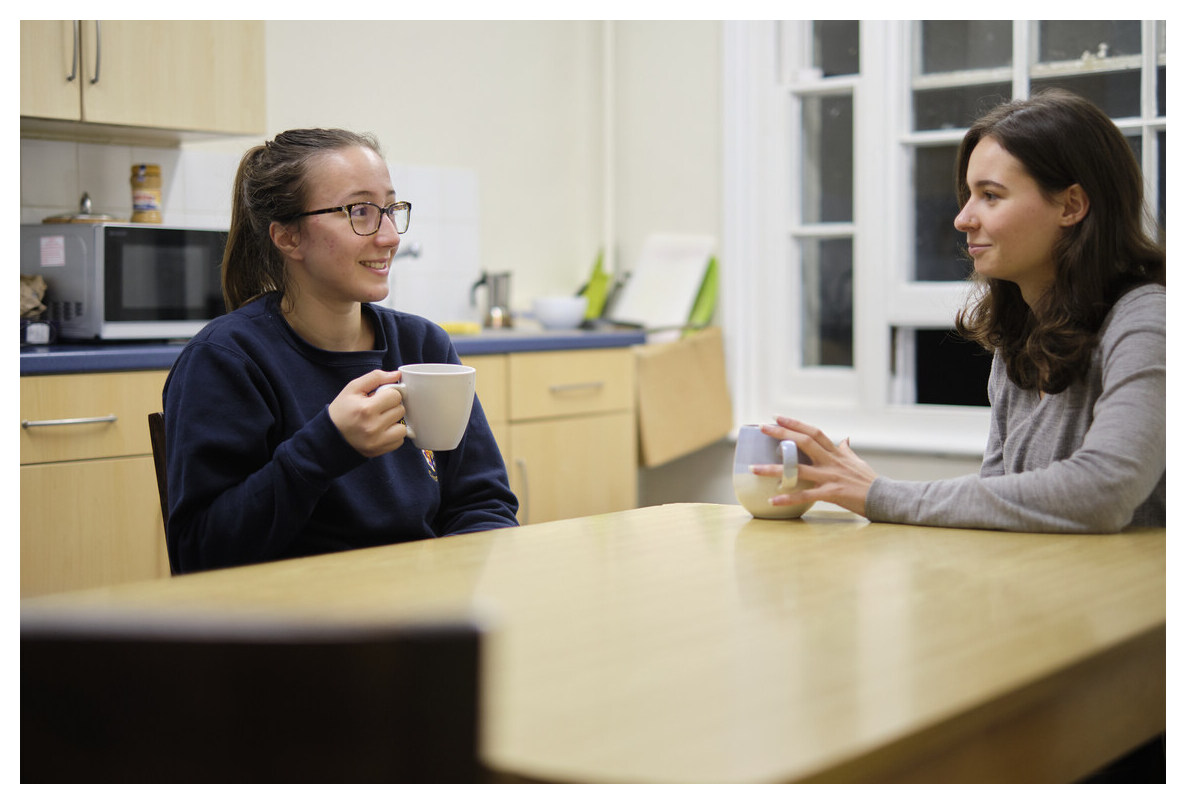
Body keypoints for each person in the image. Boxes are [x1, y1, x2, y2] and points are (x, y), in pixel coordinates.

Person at [754, 89, 1165, 533]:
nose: (963, 218)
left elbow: (1102, 493)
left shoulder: (1150, 323)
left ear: (1071, 205)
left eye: (990, 195)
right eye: (969, 195)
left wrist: (878, 494)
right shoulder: (1021, 340)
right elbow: (997, 508)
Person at [162, 128, 518, 573]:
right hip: (298, 627)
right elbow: (200, 553)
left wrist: (450, 592)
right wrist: (327, 447)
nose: (389, 236)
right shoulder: (227, 360)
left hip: (419, 613)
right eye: (360, 212)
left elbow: (483, 504)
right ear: (288, 238)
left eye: (390, 209)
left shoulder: (423, 346)